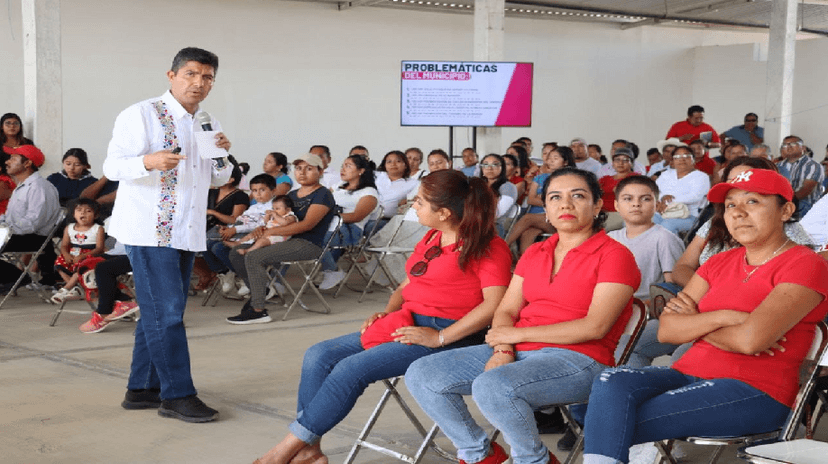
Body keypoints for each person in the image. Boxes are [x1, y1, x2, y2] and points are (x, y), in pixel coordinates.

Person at [252, 169, 512, 464]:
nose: (413, 205)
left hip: (451, 334)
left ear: (444, 213)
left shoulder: (488, 246)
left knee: (350, 369)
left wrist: (439, 337)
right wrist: (387, 313)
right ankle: (309, 450)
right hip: (408, 323)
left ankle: (283, 451)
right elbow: (408, 283)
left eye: (420, 202)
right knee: (318, 355)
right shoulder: (433, 237)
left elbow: (494, 305)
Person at [581, 168, 828, 464]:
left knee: (607, 417)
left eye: (752, 202)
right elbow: (667, 332)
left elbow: (750, 340)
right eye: (731, 205)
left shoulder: (805, 264)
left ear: (785, 210)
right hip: (687, 374)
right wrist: (726, 316)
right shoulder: (720, 261)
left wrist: (696, 321)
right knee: (610, 381)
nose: (737, 213)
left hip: (755, 390)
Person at [405, 167, 640, 464]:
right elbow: (506, 309)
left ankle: (533, 460)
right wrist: (504, 347)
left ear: (596, 206)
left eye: (577, 196)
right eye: (555, 197)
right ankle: (480, 456)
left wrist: (517, 336)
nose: (565, 204)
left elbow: (595, 326)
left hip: (580, 360)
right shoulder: (536, 252)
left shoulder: (615, 255)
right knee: (423, 374)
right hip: (520, 351)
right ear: (547, 208)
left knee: (493, 386)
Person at [102, 47, 232, 422]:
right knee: (169, 314)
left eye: (207, 77)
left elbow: (221, 177)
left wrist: (223, 153)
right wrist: (149, 161)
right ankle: (177, 394)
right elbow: (112, 165)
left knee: (159, 312)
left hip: (186, 229)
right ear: (171, 75)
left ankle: (141, 388)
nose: (199, 83)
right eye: (191, 74)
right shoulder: (141, 114)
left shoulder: (206, 121)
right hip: (149, 229)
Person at [225, 153, 336, 325]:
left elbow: (307, 225)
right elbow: (275, 217)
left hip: (307, 243)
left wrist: (271, 232)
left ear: (320, 172)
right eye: (299, 168)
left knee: (253, 256)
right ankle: (259, 293)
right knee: (235, 254)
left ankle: (258, 310)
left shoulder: (322, 195)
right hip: (282, 239)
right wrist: (264, 228)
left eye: (309, 168)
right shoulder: (291, 195)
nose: (302, 173)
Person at [0, 145, 61, 289]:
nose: (8, 162)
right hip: (16, 234)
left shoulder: (39, 187)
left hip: (32, 238)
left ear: (27, 163)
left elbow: (33, 222)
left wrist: (6, 229)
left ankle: (15, 278)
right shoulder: (21, 186)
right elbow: (10, 218)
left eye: (13, 158)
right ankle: (12, 278)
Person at [318, 154, 378, 290]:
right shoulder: (338, 186)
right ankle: (278, 283)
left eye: (348, 166)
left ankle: (331, 271)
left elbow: (356, 216)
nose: (343, 169)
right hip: (330, 226)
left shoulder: (369, 192)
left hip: (349, 231)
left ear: (361, 171)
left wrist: (329, 215)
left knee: (314, 239)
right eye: (342, 166)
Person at [211, 174, 277, 296]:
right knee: (210, 244)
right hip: (243, 234)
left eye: (262, 190)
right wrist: (228, 228)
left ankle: (250, 280)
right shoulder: (253, 207)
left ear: (273, 191)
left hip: (260, 238)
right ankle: (233, 274)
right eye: (254, 191)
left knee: (219, 247)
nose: (258, 194)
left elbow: (261, 226)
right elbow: (242, 220)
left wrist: (235, 229)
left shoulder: (275, 207)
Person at [505, 146, 576, 256]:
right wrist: (549, 199)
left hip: (555, 219)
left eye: (555, 158)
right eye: (549, 158)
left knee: (527, 218)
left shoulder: (570, 178)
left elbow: (563, 201)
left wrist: (542, 198)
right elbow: (531, 200)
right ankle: (525, 265)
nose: (551, 161)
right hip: (536, 219)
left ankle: (503, 246)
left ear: (565, 162)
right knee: (528, 233)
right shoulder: (540, 177)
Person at [51, 198, 105, 304]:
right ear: (74, 214)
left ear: (96, 215)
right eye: (79, 210)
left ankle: (65, 289)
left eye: (88, 211)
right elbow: (64, 245)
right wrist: (66, 254)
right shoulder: (69, 228)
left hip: (90, 255)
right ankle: (75, 288)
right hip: (73, 253)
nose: (83, 213)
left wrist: (83, 256)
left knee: (80, 266)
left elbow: (99, 248)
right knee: (59, 262)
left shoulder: (98, 229)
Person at [653, 145, 710, 235]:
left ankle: (670, 249)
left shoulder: (701, 177)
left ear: (694, 160)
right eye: (677, 157)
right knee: (642, 221)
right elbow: (655, 191)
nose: (682, 159)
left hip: (688, 216)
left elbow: (695, 196)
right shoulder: (666, 174)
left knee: (667, 226)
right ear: (672, 161)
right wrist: (661, 199)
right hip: (662, 212)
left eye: (686, 156)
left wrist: (667, 202)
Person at [777, 135, 824, 217]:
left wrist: (786, 202)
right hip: (785, 203)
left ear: (803, 148)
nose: (788, 147)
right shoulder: (778, 165)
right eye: (785, 145)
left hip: (807, 205)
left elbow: (806, 190)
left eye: (793, 144)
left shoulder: (813, 165)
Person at [598, 147, 640, 232]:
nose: (620, 163)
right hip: (601, 214)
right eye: (617, 160)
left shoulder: (635, 178)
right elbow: (594, 191)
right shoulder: (605, 179)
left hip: (621, 215)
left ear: (631, 163)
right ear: (612, 163)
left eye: (625, 160)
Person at [374, 150, 415, 224]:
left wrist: (408, 200)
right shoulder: (376, 176)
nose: (393, 164)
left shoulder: (413, 183)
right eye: (389, 162)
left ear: (405, 165)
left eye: (398, 161)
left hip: (390, 221)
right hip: (366, 217)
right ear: (384, 165)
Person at [478, 154, 518, 228]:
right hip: (475, 223)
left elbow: (497, 213)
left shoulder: (508, 187)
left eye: (495, 164)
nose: (489, 168)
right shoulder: (478, 185)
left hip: (495, 226)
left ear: (502, 168)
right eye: (486, 164)